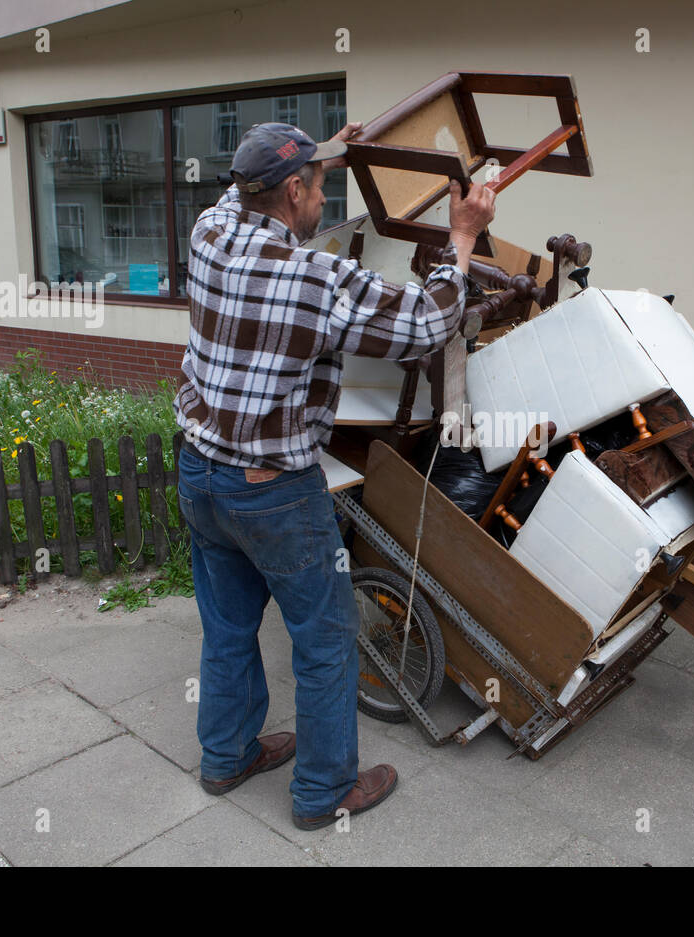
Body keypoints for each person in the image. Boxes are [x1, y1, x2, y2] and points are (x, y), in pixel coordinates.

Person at [173, 121, 496, 830]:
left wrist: (328, 146)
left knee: (227, 629)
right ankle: (323, 795)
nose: (326, 197)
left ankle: (225, 757)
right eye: (320, 185)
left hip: (199, 473)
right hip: (273, 493)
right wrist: (463, 237)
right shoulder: (314, 278)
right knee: (323, 641)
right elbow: (422, 324)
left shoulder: (210, 230)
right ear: (293, 192)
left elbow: (247, 188)